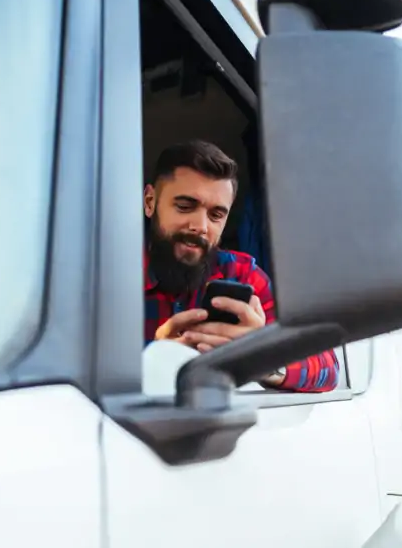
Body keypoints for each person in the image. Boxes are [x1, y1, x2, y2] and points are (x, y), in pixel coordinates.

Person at [144, 139, 339, 392]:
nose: (201, 226)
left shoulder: (244, 275)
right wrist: (156, 361)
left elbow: (327, 367)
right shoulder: (104, 276)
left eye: (216, 215)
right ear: (150, 202)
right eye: (184, 206)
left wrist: (261, 356)